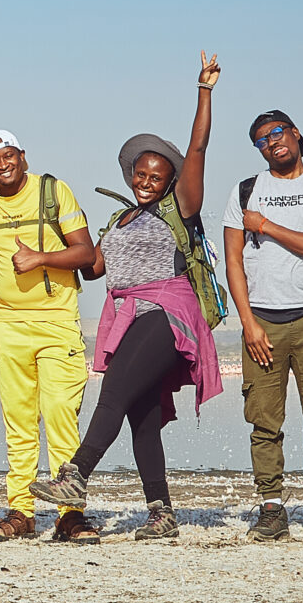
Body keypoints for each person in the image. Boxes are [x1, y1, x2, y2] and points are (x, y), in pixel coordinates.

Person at [29, 54, 226, 542]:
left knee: (114, 392)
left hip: (167, 311)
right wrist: (41, 258)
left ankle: (75, 476)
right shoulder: (118, 221)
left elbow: (198, 148)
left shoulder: (178, 208)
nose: (146, 182)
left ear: (169, 181)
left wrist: (204, 91)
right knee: (142, 417)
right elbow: (94, 267)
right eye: (141, 174)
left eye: (157, 176)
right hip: (128, 314)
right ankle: (163, 516)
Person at [222, 108, 303, 541]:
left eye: (276, 133)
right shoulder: (244, 191)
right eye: (260, 140)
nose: (270, 142)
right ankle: (272, 509)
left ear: (295, 134)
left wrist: (266, 225)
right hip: (262, 322)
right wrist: (248, 324)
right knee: (263, 421)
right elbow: (234, 264)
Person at [0, 132, 97, 540]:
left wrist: (41, 258)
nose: (3, 164)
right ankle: (21, 512)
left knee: (61, 412)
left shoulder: (53, 190)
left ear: (23, 157)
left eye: (9, 156)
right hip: (8, 324)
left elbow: (86, 252)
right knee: (19, 420)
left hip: (57, 319)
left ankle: (70, 514)